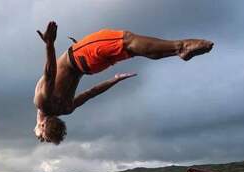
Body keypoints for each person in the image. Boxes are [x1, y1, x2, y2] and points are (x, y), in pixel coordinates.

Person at [34, 21, 214, 144]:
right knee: (127, 40)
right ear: (44, 124)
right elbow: (49, 74)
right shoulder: (43, 102)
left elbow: (92, 92)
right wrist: (49, 44)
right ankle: (180, 47)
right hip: (81, 56)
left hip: (92, 67)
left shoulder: (66, 109)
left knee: (132, 50)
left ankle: (178, 51)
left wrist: (114, 80)